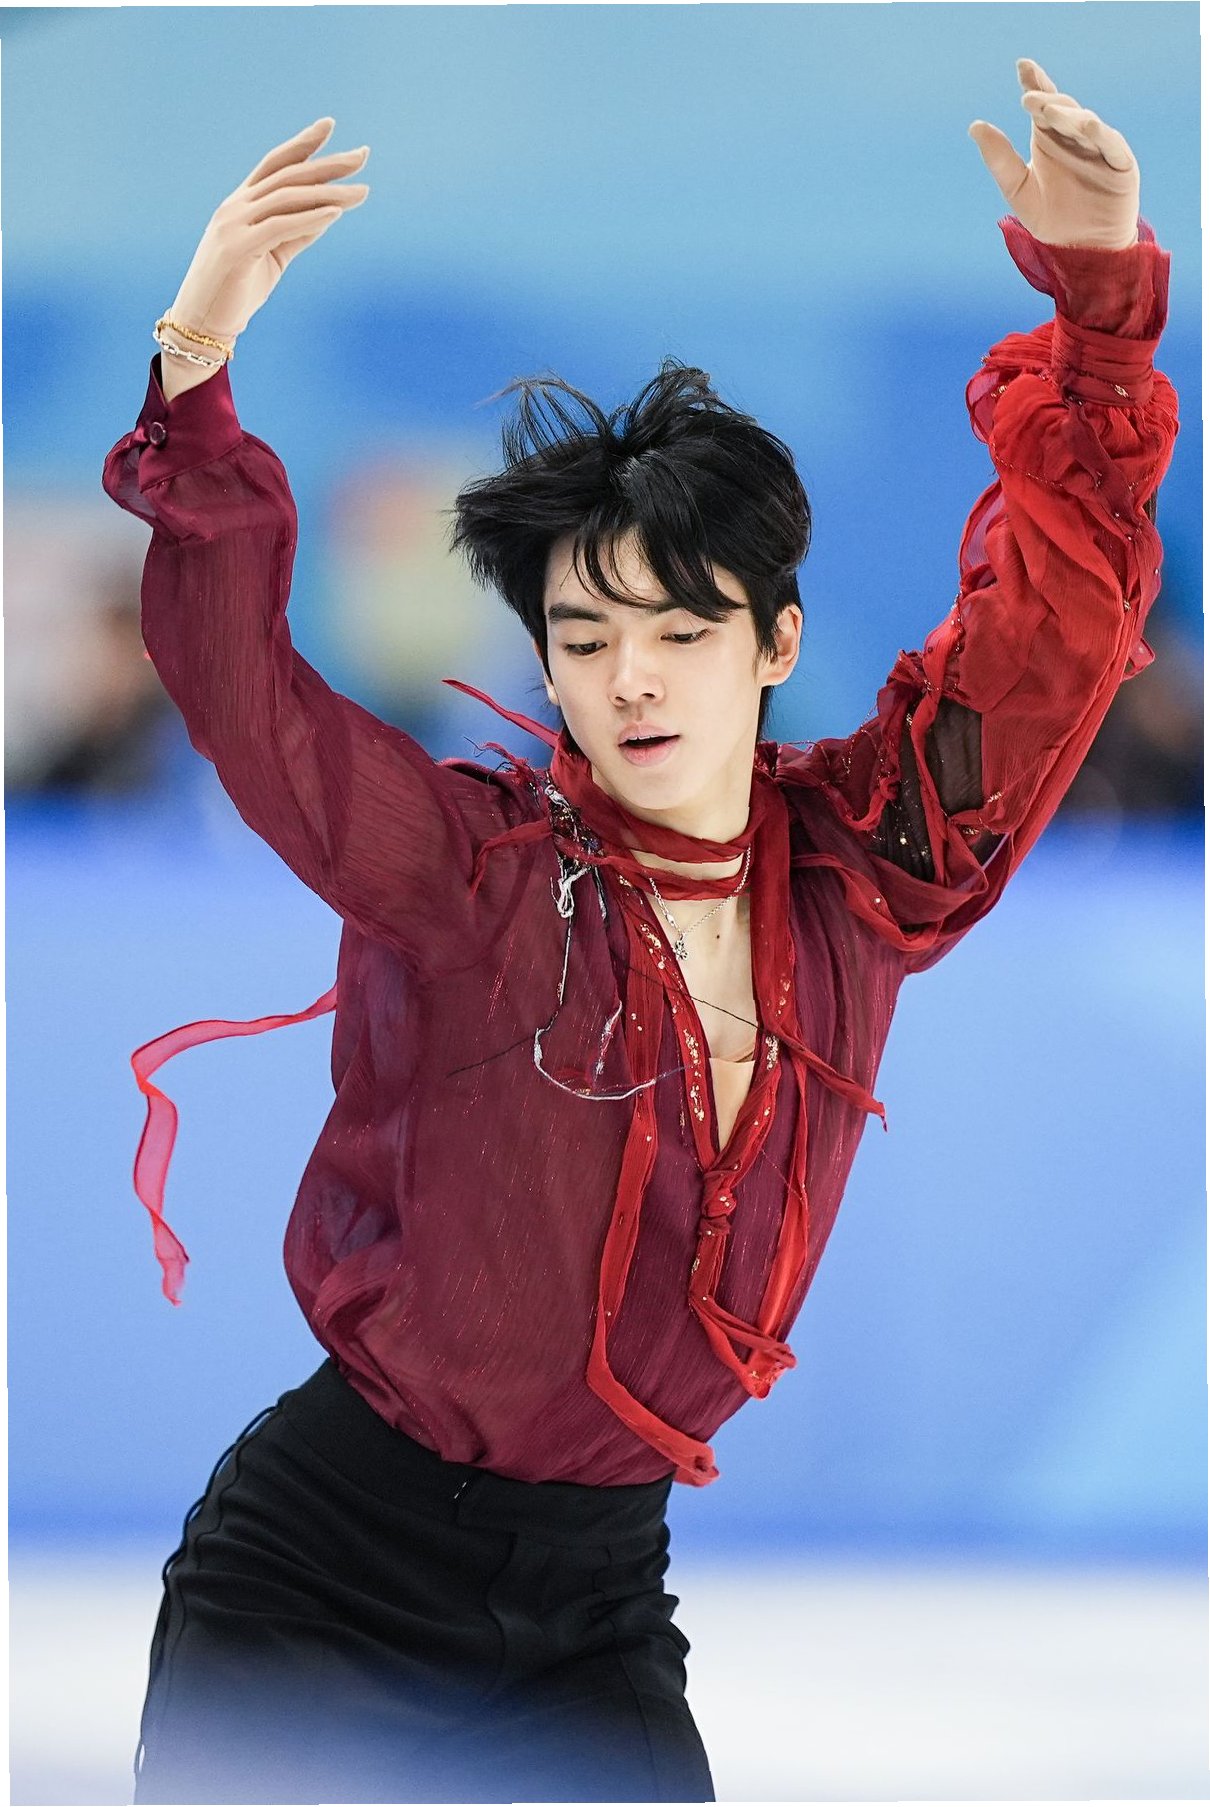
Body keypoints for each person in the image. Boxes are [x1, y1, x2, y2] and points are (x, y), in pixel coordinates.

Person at [101, 55, 1178, 1806]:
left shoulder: (864, 867)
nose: (631, 679)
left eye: (680, 630)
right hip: (318, 1588)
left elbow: (1052, 627)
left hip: (596, 1608)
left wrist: (1100, 313)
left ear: (775, 642)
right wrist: (198, 363)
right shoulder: (473, 872)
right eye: (585, 639)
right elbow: (246, 700)